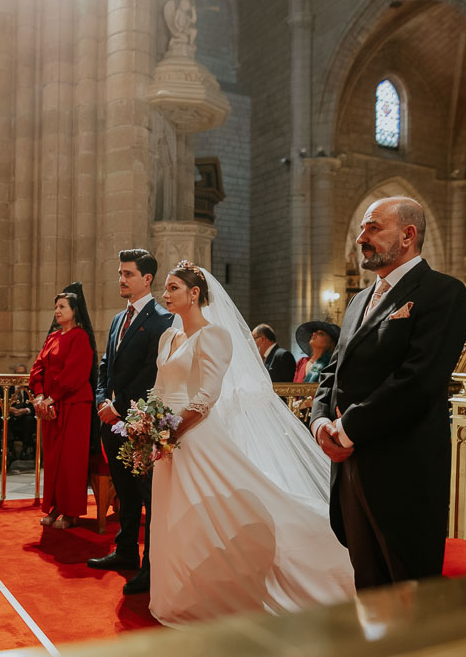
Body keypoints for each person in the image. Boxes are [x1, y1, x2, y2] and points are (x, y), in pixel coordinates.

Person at [149, 261, 355, 625]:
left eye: (173, 288)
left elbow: (206, 396)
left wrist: (171, 430)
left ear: (194, 294)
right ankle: (181, 593)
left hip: (195, 436)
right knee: (174, 516)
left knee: (211, 512)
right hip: (166, 439)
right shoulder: (168, 337)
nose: (165, 295)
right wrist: (147, 424)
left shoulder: (213, 336)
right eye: (165, 289)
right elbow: (160, 389)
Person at [310, 196, 466, 589]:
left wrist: (348, 430)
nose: (361, 237)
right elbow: (333, 370)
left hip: (403, 466)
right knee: (367, 579)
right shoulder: (359, 300)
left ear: (408, 234)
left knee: (410, 586)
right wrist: (319, 422)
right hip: (349, 464)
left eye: (373, 228)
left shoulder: (442, 292)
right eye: (363, 229)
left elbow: (418, 380)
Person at [87, 249, 173, 595]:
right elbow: (106, 365)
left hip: (139, 422)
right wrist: (101, 401)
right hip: (111, 419)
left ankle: (151, 566)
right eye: (120, 273)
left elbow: (151, 371)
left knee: (146, 494)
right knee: (123, 490)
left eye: (128, 274)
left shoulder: (161, 320)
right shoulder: (117, 319)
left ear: (147, 279)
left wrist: (119, 406)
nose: (121, 279)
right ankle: (125, 552)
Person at [30, 289, 97, 529]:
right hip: (51, 405)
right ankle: (55, 508)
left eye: (62, 307)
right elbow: (37, 368)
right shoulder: (53, 337)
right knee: (53, 459)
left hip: (74, 405)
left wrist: (51, 398)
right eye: (56, 307)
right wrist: (39, 395)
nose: (57, 311)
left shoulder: (80, 337)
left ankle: (71, 513)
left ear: (74, 311)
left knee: (71, 460)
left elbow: (75, 374)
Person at [2, 364, 37, 461]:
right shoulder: (6, 387)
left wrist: (25, 410)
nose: (20, 375)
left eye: (22, 373)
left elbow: (35, 404)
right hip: (11, 416)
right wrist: (9, 408)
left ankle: (25, 448)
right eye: (18, 373)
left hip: (25, 416)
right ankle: (10, 448)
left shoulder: (31, 388)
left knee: (29, 420)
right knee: (5, 420)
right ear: (14, 374)